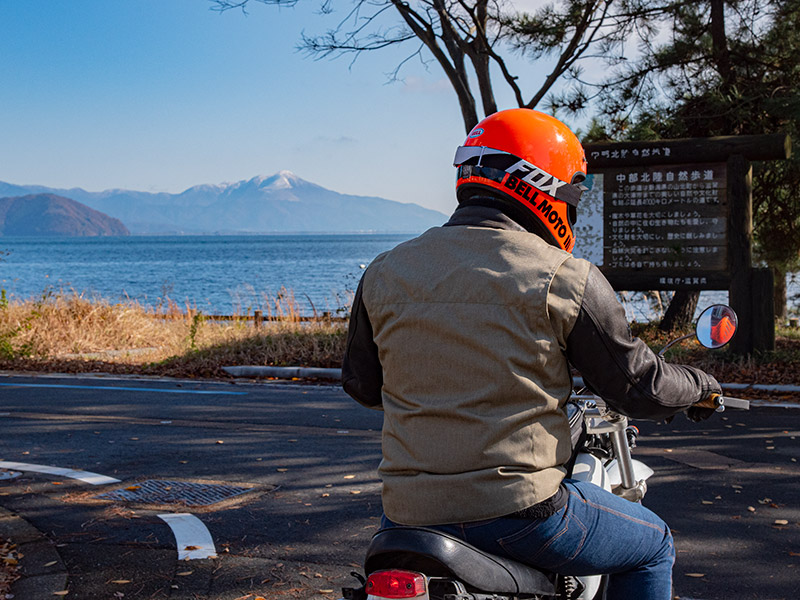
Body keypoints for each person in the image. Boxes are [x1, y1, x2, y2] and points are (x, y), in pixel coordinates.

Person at [341, 108, 722, 599]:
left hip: (404, 515)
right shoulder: (563, 275)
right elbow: (639, 387)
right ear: (542, 187)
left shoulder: (385, 270)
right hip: (520, 512)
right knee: (652, 545)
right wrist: (699, 385)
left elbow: (362, 385)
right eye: (573, 193)